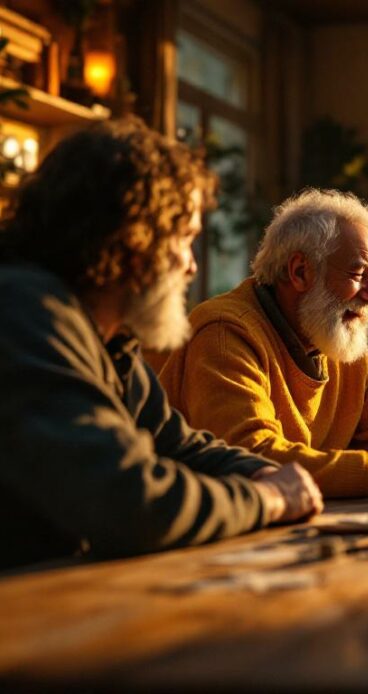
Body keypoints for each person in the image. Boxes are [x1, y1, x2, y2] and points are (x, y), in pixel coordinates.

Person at [0, 118, 322, 569]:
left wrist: (261, 472)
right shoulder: (22, 311)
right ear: (134, 238)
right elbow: (126, 500)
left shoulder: (110, 338)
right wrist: (266, 498)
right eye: (186, 238)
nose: (191, 266)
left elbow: (175, 443)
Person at [159, 189, 368, 500]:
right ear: (300, 272)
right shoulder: (225, 331)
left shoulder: (339, 340)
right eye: (358, 274)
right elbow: (252, 457)